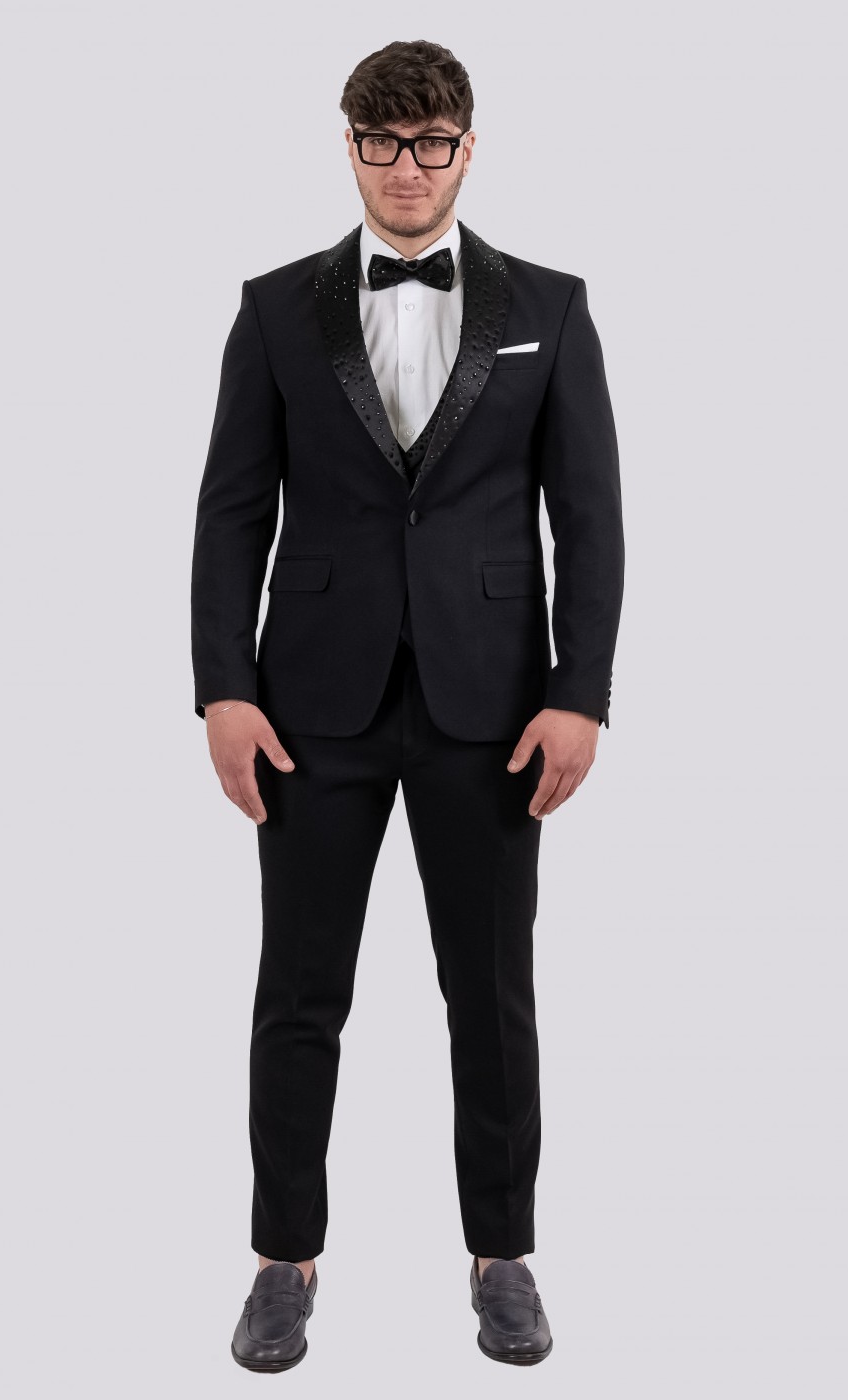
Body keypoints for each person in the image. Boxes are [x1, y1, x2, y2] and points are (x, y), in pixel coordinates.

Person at [191, 39, 624, 1370]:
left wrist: (581, 694)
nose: (407, 168)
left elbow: (590, 520)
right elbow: (231, 513)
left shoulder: (552, 305)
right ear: (351, 148)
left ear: (467, 148)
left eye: (431, 143)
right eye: (382, 144)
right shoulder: (276, 309)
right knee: (298, 992)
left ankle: (504, 1255)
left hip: (492, 710)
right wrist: (222, 689)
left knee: (491, 995)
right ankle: (283, 1259)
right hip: (308, 709)